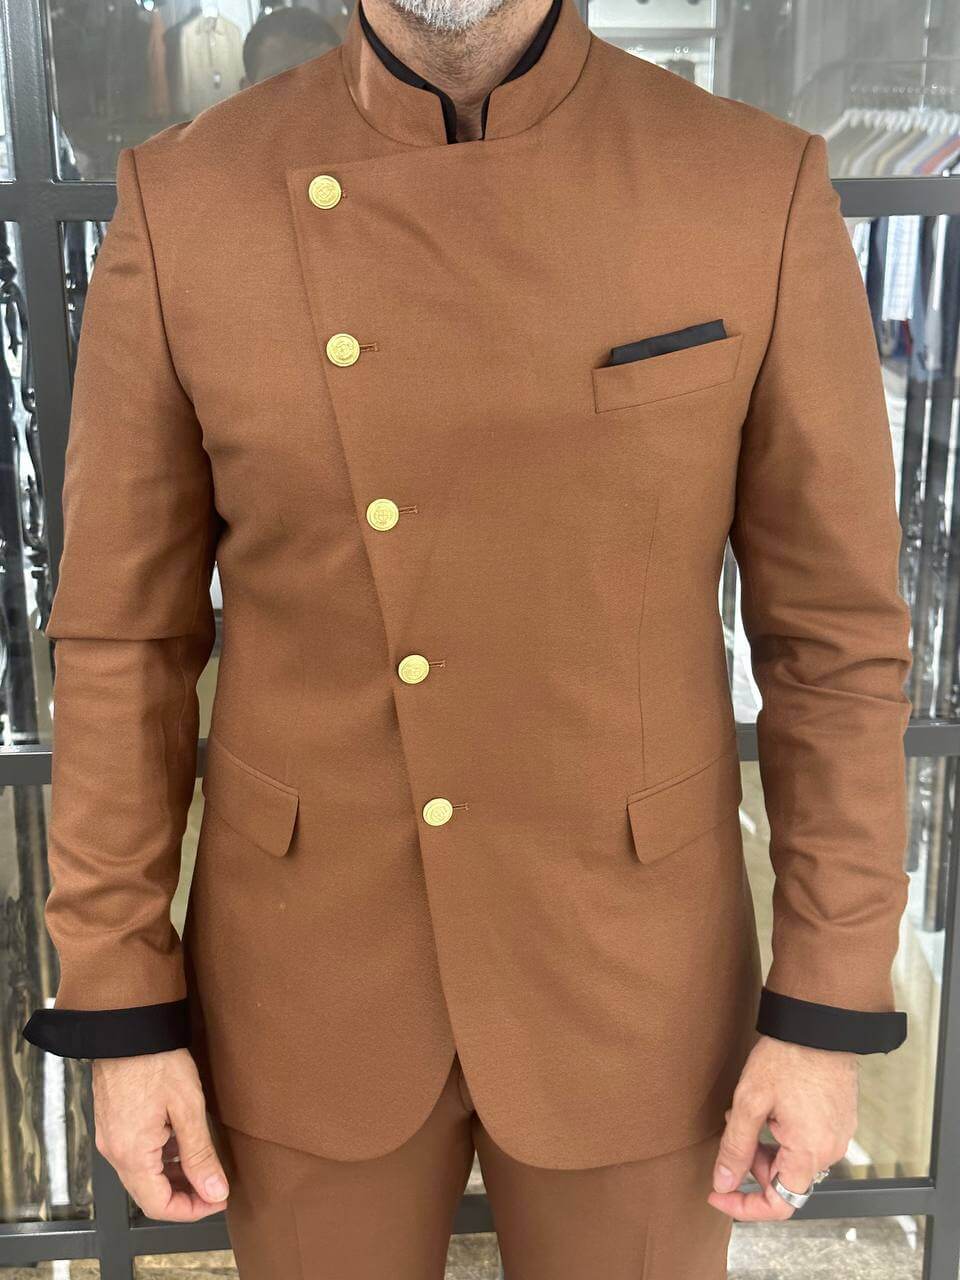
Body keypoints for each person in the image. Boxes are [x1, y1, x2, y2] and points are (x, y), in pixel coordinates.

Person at [22, 0, 913, 1274]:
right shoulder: (184, 203)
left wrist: (825, 1001)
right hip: (308, 974)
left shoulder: (751, 185)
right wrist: (120, 993)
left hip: (634, 975)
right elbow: (124, 641)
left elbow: (833, 641)